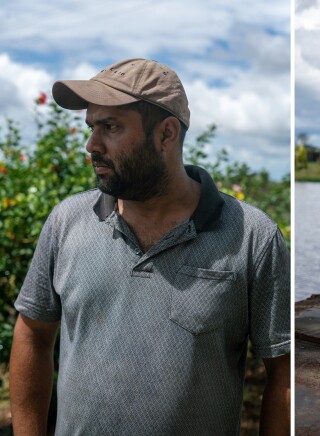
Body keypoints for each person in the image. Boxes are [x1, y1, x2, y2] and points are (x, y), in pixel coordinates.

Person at [10, 58, 290, 434]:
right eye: (92, 126)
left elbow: (284, 377)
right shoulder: (67, 221)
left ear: (166, 134)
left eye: (110, 127)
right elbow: (32, 332)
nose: (91, 145)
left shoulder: (252, 237)